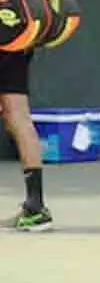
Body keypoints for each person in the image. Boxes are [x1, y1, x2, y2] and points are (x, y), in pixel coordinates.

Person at [4, 49, 51, 232]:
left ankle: (35, 208)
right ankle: (35, 207)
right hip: (17, 43)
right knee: (18, 114)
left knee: (17, 114)